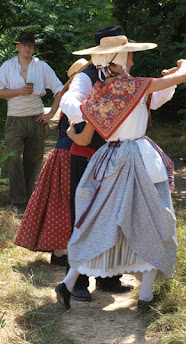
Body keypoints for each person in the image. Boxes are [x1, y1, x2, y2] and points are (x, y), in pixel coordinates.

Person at [54, 35, 186, 310]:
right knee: (154, 220)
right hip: (140, 159)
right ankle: (146, 296)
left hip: (109, 159)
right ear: (118, 60)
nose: (132, 59)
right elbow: (184, 76)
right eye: (129, 55)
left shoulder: (100, 93)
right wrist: (183, 62)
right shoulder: (137, 86)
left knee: (100, 221)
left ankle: (68, 283)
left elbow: (83, 139)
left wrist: (71, 131)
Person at [60, 26, 136, 301]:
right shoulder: (86, 77)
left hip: (115, 157)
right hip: (87, 157)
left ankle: (109, 277)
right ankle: (78, 281)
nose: (130, 59)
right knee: (83, 216)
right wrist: (90, 112)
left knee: (114, 216)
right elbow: (70, 101)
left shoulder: (127, 79)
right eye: (126, 53)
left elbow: (152, 99)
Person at [13, 59, 89, 265]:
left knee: (63, 201)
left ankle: (62, 250)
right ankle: (60, 251)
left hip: (67, 153)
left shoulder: (70, 97)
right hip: (67, 154)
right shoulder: (74, 99)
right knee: (64, 202)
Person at [0, 31, 63, 211]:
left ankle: (30, 201)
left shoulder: (42, 66)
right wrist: (19, 91)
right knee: (14, 157)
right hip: (15, 118)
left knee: (33, 160)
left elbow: (60, 90)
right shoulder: (7, 67)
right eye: (24, 45)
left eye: (30, 45)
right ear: (17, 46)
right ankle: (17, 202)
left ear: (33, 47)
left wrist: (51, 114)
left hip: (36, 118)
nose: (27, 48)